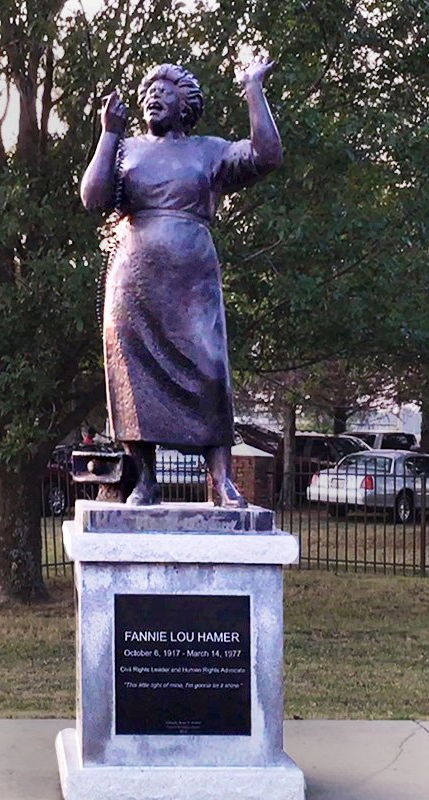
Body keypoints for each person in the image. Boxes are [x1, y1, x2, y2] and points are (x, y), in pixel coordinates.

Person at [79, 59, 282, 507]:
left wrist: (252, 89)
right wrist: (109, 133)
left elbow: (267, 156)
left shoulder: (208, 151)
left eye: (164, 91)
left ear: (185, 103)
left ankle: (221, 480)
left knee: (210, 370)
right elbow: (93, 197)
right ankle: (145, 479)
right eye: (147, 89)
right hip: (134, 280)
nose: (153, 95)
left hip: (191, 279)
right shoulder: (127, 149)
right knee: (134, 376)